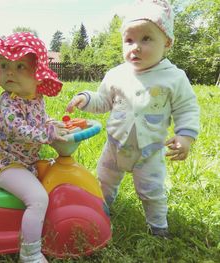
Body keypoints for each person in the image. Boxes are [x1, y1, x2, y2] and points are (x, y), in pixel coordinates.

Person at [66, 0, 200, 238]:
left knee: (152, 191)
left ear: (167, 42)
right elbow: (103, 101)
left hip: (148, 152)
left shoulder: (174, 78)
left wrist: (185, 136)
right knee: (103, 183)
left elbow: (187, 108)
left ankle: (158, 227)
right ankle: (101, 211)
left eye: (146, 39)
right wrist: (86, 99)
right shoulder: (116, 74)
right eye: (129, 40)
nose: (135, 47)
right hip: (114, 147)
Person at [0, 32, 68, 262]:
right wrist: (47, 135)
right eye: (4, 65)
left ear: (38, 76)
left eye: (20, 66)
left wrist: (51, 124)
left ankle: (36, 226)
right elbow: (19, 130)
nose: (9, 71)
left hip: (26, 164)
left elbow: (39, 121)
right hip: (7, 166)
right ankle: (31, 253)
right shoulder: (7, 102)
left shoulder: (36, 99)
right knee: (38, 198)